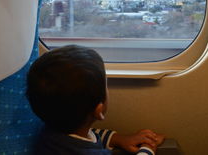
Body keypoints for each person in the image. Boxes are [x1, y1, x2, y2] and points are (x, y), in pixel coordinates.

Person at [26, 45, 164, 155]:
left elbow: (90, 135)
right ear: (99, 110)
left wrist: (118, 139)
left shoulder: (50, 133)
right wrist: (148, 148)